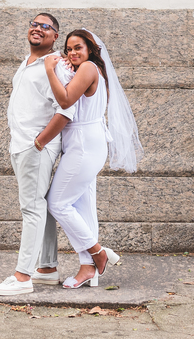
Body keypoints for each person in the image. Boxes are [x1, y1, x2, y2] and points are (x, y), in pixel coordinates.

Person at [44, 29, 143, 289]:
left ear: (90, 49)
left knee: (57, 203)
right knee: (82, 207)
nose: (73, 53)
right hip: (87, 142)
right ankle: (88, 269)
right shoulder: (90, 70)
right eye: (69, 49)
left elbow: (65, 99)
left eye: (78, 47)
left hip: (84, 144)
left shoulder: (88, 68)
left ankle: (98, 252)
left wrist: (49, 70)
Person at [0, 13, 76, 296]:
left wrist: (39, 142)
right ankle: (47, 268)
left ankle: (22, 277)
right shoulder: (28, 63)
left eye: (45, 27)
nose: (37, 29)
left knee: (32, 209)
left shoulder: (55, 66)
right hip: (23, 144)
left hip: (34, 147)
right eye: (34, 24)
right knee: (42, 206)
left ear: (55, 37)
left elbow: (66, 110)